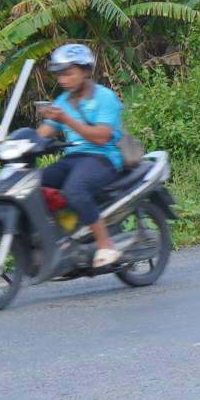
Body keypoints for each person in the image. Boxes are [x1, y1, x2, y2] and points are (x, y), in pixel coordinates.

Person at [36, 43, 124, 268]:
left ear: (85, 71)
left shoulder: (105, 97)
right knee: (33, 184)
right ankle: (64, 232)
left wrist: (66, 120)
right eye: (59, 75)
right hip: (73, 159)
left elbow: (101, 137)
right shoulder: (62, 101)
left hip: (102, 158)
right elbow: (43, 133)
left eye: (68, 73)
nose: (63, 80)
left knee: (75, 189)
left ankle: (106, 245)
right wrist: (10, 144)